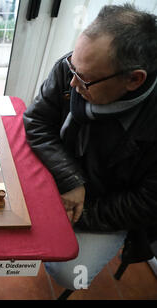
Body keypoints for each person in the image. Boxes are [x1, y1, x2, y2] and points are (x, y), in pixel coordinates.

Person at [23, 4, 157, 291]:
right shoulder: (72, 68)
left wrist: (76, 215)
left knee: (70, 275)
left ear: (134, 79)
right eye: (73, 66)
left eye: (83, 78)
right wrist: (71, 179)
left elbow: (146, 203)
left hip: (107, 205)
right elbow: (36, 121)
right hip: (62, 174)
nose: (71, 82)